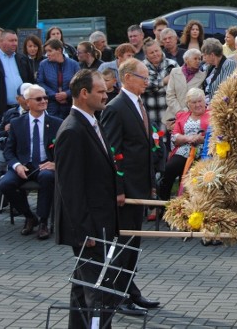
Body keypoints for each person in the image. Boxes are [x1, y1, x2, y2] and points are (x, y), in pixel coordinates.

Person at [54, 69, 120, 329]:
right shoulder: (72, 130)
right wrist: (83, 232)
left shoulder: (93, 121)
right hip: (89, 229)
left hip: (101, 222)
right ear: (84, 94)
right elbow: (70, 188)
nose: (107, 95)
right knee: (99, 293)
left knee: (83, 291)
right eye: (101, 91)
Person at [100, 58, 162, 314]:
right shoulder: (116, 107)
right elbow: (113, 152)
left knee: (133, 243)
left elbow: (144, 144)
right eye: (143, 78)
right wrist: (119, 188)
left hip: (140, 185)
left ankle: (129, 290)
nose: (146, 82)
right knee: (123, 244)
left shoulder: (137, 103)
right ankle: (117, 296)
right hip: (126, 190)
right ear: (127, 78)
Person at [0, 83, 62, 240]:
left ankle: (43, 222)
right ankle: (29, 216)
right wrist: (16, 165)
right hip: (24, 166)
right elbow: (8, 150)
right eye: (39, 98)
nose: (43, 101)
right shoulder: (17, 123)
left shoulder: (57, 123)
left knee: (47, 178)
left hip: (44, 165)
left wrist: (55, 164)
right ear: (27, 102)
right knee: (5, 183)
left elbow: (65, 150)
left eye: (46, 98)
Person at [0, 29, 37, 142]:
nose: (15, 44)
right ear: (1, 41)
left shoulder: (22, 59)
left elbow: (31, 82)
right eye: (11, 40)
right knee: (0, 141)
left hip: (21, 109)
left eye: (16, 40)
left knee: (23, 140)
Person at [158, 87, 209, 202]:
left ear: (204, 101)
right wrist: (189, 138)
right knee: (170, 168)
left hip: (204, 151)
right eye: (193, 102)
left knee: (197, 174)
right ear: (188, 104)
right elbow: (175, 137)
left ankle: (194, 203)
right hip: (184, 149)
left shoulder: (212, 115)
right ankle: (162, 203)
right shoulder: (182, 116)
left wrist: (202, 139)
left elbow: (216, 134)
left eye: (200, 101)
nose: (197, 105)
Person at [37, 39, 81, 118]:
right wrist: (55, 95)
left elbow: (79, 83)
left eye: (50, 51)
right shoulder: (43, 64)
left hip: (71, 104)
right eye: (46, 51)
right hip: (51, 104)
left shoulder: (74, 64)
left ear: (59, 50)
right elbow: (40, 83)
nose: (47, 54)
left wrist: (66, 94)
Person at [164, 48, 206, 127]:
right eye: (195, 58)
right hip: (173, 116)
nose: (198, 61)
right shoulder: (174, 72)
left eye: (199, 59)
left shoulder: (202, 76)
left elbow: (200, 97)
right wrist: (179, 112)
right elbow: (170, 95)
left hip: (192, 118)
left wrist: (186, 112)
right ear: (186, 60)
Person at [142, 39, 177, 132]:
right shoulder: (141, 67)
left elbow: (179, 85)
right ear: (146, 55)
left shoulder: (172, 64)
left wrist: (156, 84)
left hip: (171, 114)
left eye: (157, 51)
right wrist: (164, 81)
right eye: (151, 52)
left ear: (161, 50)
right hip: (151, 114)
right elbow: (146, 86)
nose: (155, 54)